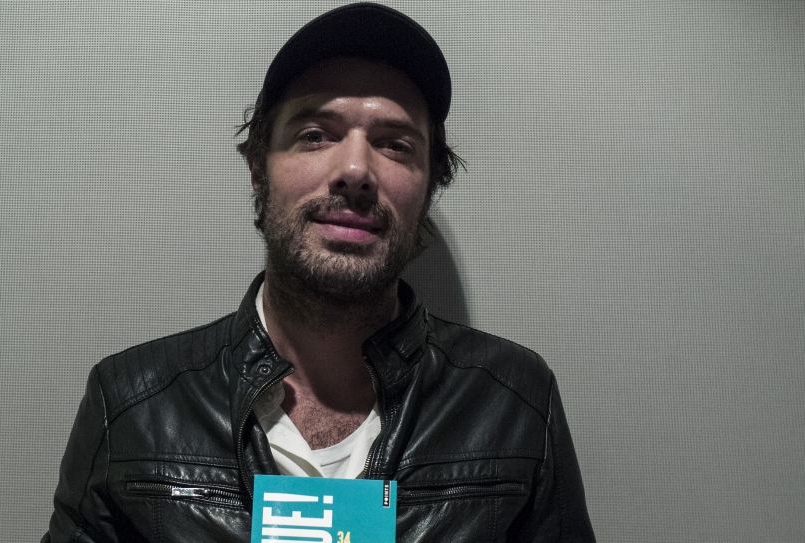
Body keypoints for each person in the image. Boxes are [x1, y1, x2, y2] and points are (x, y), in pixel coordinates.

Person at [44, 3, 595, 542]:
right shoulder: (131, 407)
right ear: (259, 169)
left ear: (428, 190)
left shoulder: (515, 402)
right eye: (315, 134)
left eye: (394, 145)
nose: (355, 170)